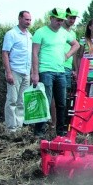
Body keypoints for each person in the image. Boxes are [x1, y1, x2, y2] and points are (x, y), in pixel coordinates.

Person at [31, 8, 79, 137]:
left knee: (62, 103)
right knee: (45, 101)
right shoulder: (40, 32)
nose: (59, 22)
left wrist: (67, 55)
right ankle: (39, 131)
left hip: (60, 71)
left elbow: (76, 45)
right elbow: (34, 53)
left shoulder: (64, 33)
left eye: (61, 20)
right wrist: (35, 73)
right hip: (45, 70)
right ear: (51, 18)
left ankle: (60, 131)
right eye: (58, 20)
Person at [1, 10, 34, 134]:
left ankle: (19, 126)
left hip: (26, 72)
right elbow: (5, 53)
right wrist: (8, 72)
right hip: (15, 70)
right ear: (20, 18)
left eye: (30, 20)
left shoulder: (29, 36)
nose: (29, 22)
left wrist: (31, 72)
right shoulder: (11, 34)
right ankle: (11, 127)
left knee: (21, 101)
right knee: (12, 100)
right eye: (26, 19)